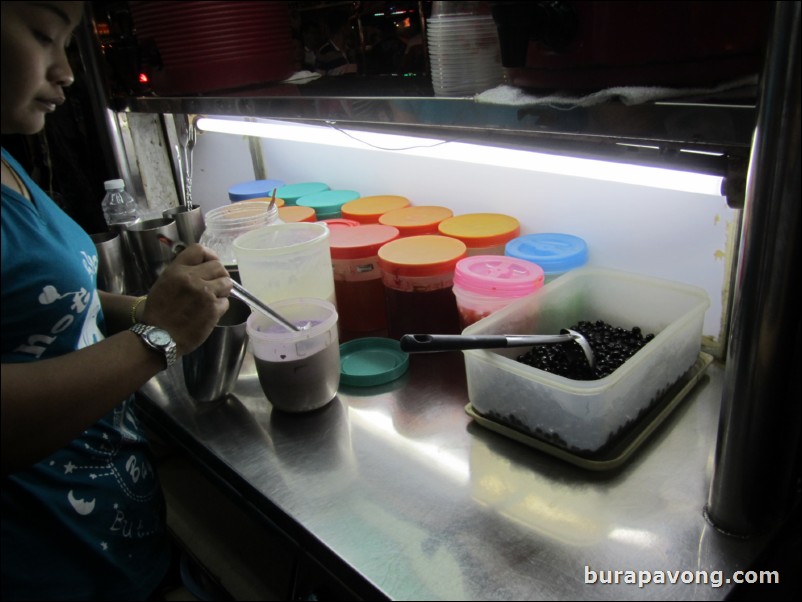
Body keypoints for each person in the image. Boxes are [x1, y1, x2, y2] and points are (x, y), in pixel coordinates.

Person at [1, 2, 232, 600]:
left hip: (109, 544)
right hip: (43, 570)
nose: (67, 72)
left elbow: (50, 301)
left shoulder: (5, 163)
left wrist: (149, 307)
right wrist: (159, 338)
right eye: (45, 36)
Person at [315, 10, 357, 76]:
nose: (351, 28)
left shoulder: (350, 49)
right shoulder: (324, 52)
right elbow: (319, 79)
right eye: (348, 24)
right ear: (343, 27)